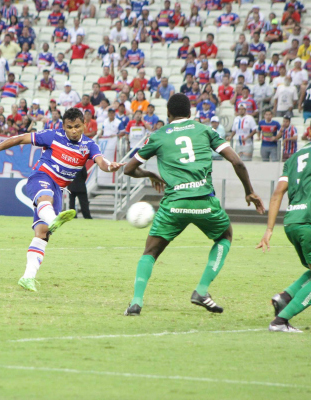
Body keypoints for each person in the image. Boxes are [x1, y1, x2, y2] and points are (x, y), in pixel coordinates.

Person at [122, 93, 265, 316]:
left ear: (168, 114)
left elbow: (128, 169)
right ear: (190, 113)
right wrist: (249, 192)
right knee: (225, 236)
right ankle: (201, 290)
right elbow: (237, 161)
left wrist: (151, 174)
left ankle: (135, 303)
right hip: (204, 202)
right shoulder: (204, 129)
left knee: (150, 251)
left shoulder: (158, 135)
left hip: (174, 205)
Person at [0, 108, 124, 291]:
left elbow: (102, 162)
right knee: (44, 199)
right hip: (41, 177)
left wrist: (110, 166)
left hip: (59, 189)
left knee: (42, 235)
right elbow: (20, 138)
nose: (73, 130)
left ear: (84, 125)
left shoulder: (89, 145)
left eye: (77, 126)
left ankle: (27, 277)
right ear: (63, 126)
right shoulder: (52, 136)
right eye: (69, 127)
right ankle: (53, 219)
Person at [257, 139, 311, 332]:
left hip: (292, 222)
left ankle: (285, 297)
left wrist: (269, 229)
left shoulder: (294, 158)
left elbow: (278, 192)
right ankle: (280, 322)